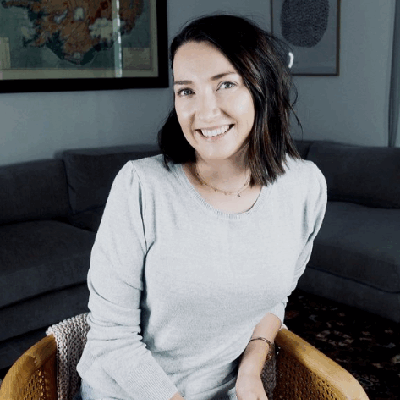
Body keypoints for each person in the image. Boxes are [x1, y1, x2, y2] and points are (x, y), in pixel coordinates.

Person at [76, 14, 327, 400]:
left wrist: (250, 369)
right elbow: (112, 340)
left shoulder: (305, 187)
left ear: (262, 87)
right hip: (129, 392)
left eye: (225, 84)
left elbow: (275, 296)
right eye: (186, 91)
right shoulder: (141, 186)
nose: (205, 112)